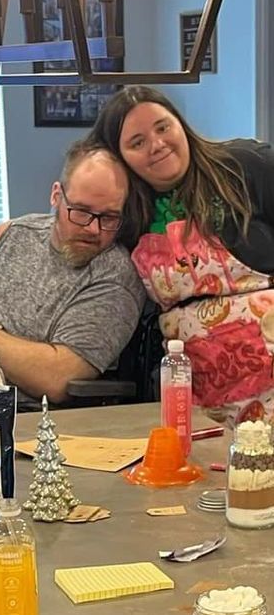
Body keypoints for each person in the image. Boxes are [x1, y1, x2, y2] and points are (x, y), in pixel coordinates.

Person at [88, 85, 274, 423]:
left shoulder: (243, 166)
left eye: (163, 127)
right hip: (201, 393)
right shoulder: (129, 216)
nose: (157, 145)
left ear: (180, 124)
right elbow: (78, 216)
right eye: (137, 142)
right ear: (120, 157)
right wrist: (17, 227)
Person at [0, 141, 145, 401]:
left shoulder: (113, 276)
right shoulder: (18, 234)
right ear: (56, 195)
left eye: (109, 217)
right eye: (81, 211)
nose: (93, 229)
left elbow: (59, 379)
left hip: (16, 423)